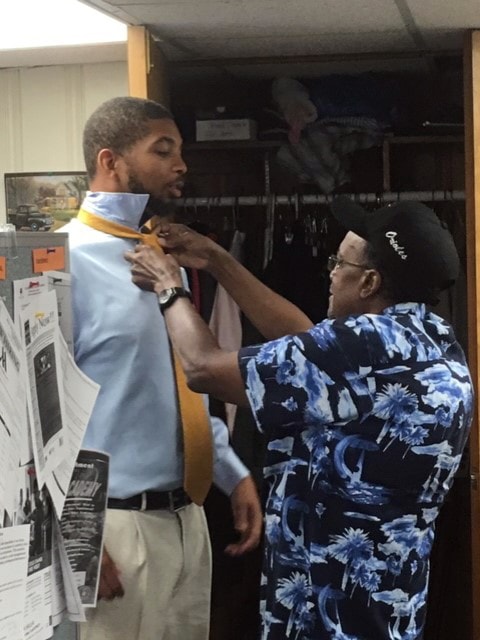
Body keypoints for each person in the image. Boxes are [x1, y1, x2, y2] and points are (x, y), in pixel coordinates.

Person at [126, 196, 473, 640]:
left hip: (327, 612)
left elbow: (203, 368)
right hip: (390, 604)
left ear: (369, 282)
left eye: (339, 262)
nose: (330, 271)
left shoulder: (360, 345)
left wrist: (169, 285)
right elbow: (305, 340)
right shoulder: (429, 341)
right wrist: (216, 259)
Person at [62, 96, 262, 640]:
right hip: (113, 527)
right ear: (111, 161)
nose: (181, 166)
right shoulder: (64, 263)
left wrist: (231, 471)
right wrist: (74, 532)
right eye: (163, 150)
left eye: (180, 151)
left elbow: (177, 382)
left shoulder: (165, 254)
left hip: (188, 519)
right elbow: (36, 413)